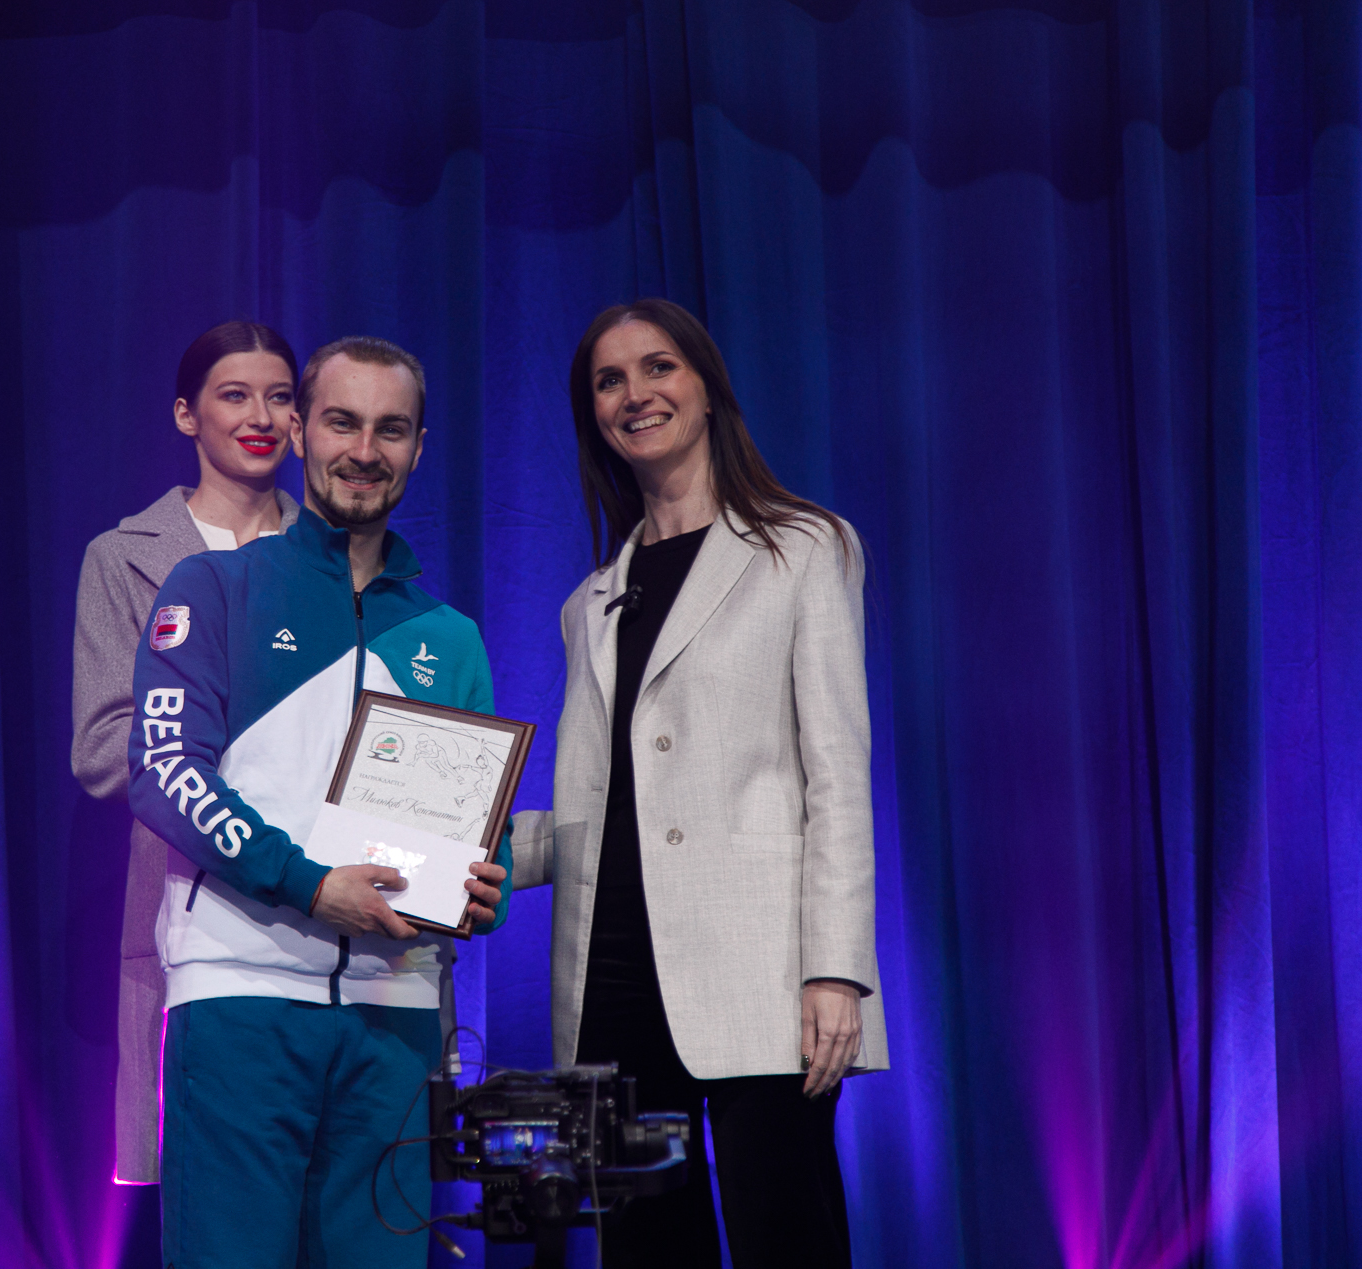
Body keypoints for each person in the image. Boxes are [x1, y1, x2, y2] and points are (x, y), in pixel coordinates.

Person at [511, 299, 888, 1267]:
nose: (633, 393)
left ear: (707, 388)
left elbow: (837, 775)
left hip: (763, 970)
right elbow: (606, 811)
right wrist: (466, 849)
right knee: (644, 1248)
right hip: (610, 976)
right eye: (608, 380)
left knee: (786, 1238)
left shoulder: (804, 548)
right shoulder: (587, 604)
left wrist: (835, 967)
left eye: (658, 366)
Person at [128, 335, 514, 1268]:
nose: (364, 451)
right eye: (343, 422)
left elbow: (471, 835)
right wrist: (309, 884)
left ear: (419, 447)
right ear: (301, 431)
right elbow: (166, 772)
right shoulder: (215, 587)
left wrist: (476, 894)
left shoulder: (451, 635)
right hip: (242, 999)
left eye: (391, 429)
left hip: (396, 1013)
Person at [70, 319, 303, 1185]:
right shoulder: (123, 558)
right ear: (185, 415)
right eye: (234, 396)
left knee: (336, 1184)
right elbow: (103, 749)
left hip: (324, 911)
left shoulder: (338, 553)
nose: (260, 417)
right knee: (216, 1198)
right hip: (189, 912)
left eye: (280, 397)